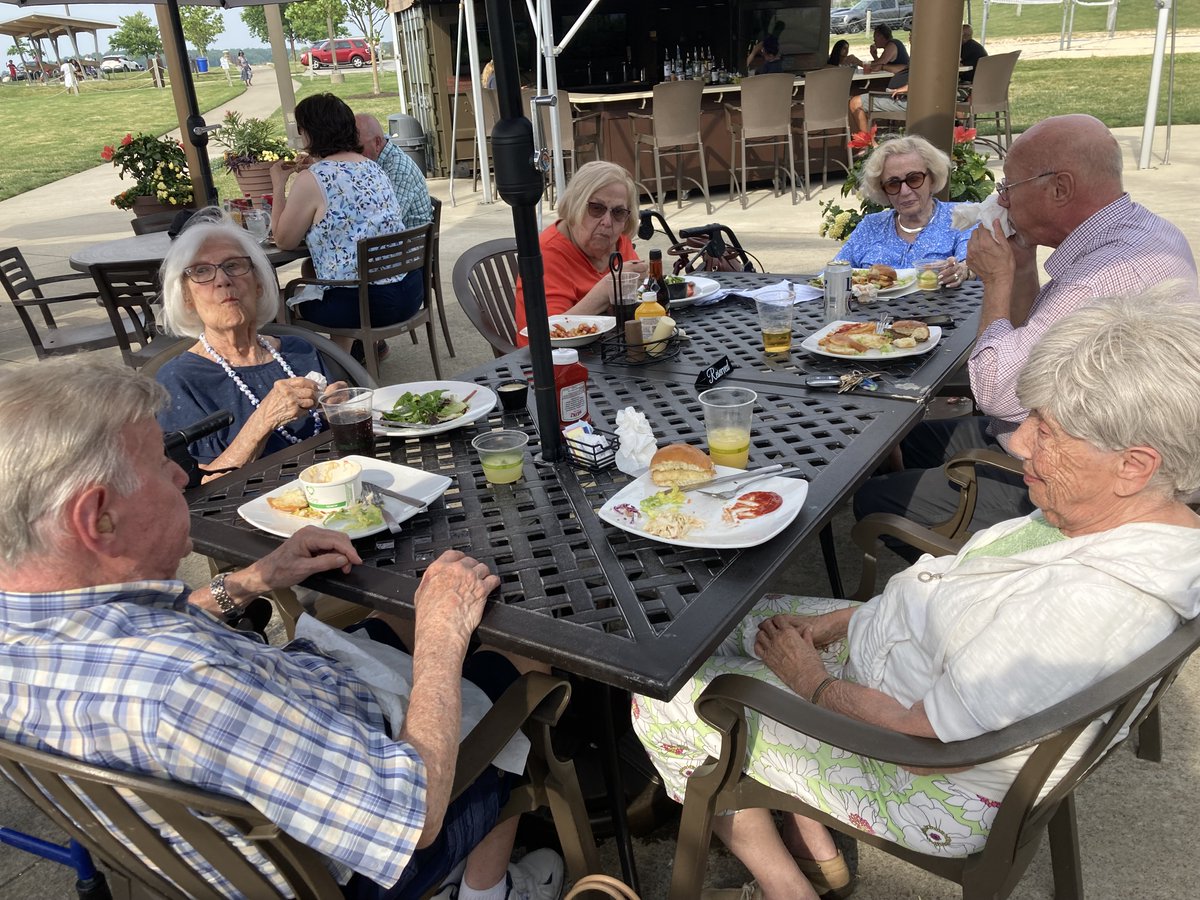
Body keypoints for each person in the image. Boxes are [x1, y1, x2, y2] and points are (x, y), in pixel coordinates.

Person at [635, 293, 1200, 900]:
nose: (1018, 443)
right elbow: (965, 590)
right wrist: (852, 619)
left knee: (661, 693)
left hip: (917, 772)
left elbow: (928, 745)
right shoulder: (1128, 523)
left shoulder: (1090, 604)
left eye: (1048, 429)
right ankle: (819, 851)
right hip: (901, 658)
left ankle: (786, 887)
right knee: (712, 622)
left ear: (1134, 465)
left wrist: (810, 683)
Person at [0, 358, 566, 900]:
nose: (181, 472)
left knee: (408, 610)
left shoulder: (24, 626)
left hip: (276, 747)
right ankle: (486, 888)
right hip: (353, 859)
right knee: (522, 652)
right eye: (158, 462)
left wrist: (252, 578)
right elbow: (412, 814)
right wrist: (444, 639)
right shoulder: (186, 687)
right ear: (95, 517)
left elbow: (129, 633)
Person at [855, 114, 1198, 541]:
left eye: (1009, 187)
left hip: (1079, 474)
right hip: (1073, 432)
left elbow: (996, 394)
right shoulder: (1144, 232)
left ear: (1060, 189)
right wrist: (1018, 265)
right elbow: (1025, 335)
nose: (1002, 198)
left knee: (873, 496)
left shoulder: (1102, 277)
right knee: (913, 440)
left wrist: (996, 282)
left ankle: (973, 576)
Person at [154, 212, 338, 471]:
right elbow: (200, 490)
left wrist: (342, 411)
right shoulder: (178, 381)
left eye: (234, 265)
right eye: (202, 271)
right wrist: (264, 419)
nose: (222, 280)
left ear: (259, 283)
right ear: (186, 297)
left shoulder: (299, 351)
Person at [271, 93, 416, 357]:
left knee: (278, 299)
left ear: (312, 133)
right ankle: (343, 363)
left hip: (365, 304)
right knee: (331, 280)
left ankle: (299, 373)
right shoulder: (373, 168)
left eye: (301, 130)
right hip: (407, 293)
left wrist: (278, 184)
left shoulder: (313, 179)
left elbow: (283, 240)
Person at [513, 161, 646, 346]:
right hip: (557, 364)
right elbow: (549, 334)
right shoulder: (547, 253)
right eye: (596, 208)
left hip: (613, 352)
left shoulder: (619, 241)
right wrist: (606, 290)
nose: (607, 222)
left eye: (618, 212)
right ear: (575, 206)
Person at [836, 134, 973, 282]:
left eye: (914, 179)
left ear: (932, 178)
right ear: (883, 190)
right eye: (893, 184)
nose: (905, 191)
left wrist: (961, 270)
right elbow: (834, 273)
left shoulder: (961, 216)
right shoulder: (870, 226)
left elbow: (973, 265)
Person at [356, 112, 434, 228]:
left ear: (377, 143)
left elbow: (389, 219)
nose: (353, 153)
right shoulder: (378, 160)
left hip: (410, 240)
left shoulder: (398, 169)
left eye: (358, 148)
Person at [848, 24, 909, 132]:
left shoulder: (893, 44)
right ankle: (870, 136)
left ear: (882, 36)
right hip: (897, 92)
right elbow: (879, 65)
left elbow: (879, 64)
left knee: (856, 100)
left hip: (899, 95)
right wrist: (874, 56)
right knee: (859, 97)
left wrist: (858, 62)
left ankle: (868, 142)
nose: (873, 39)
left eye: (875, 36)